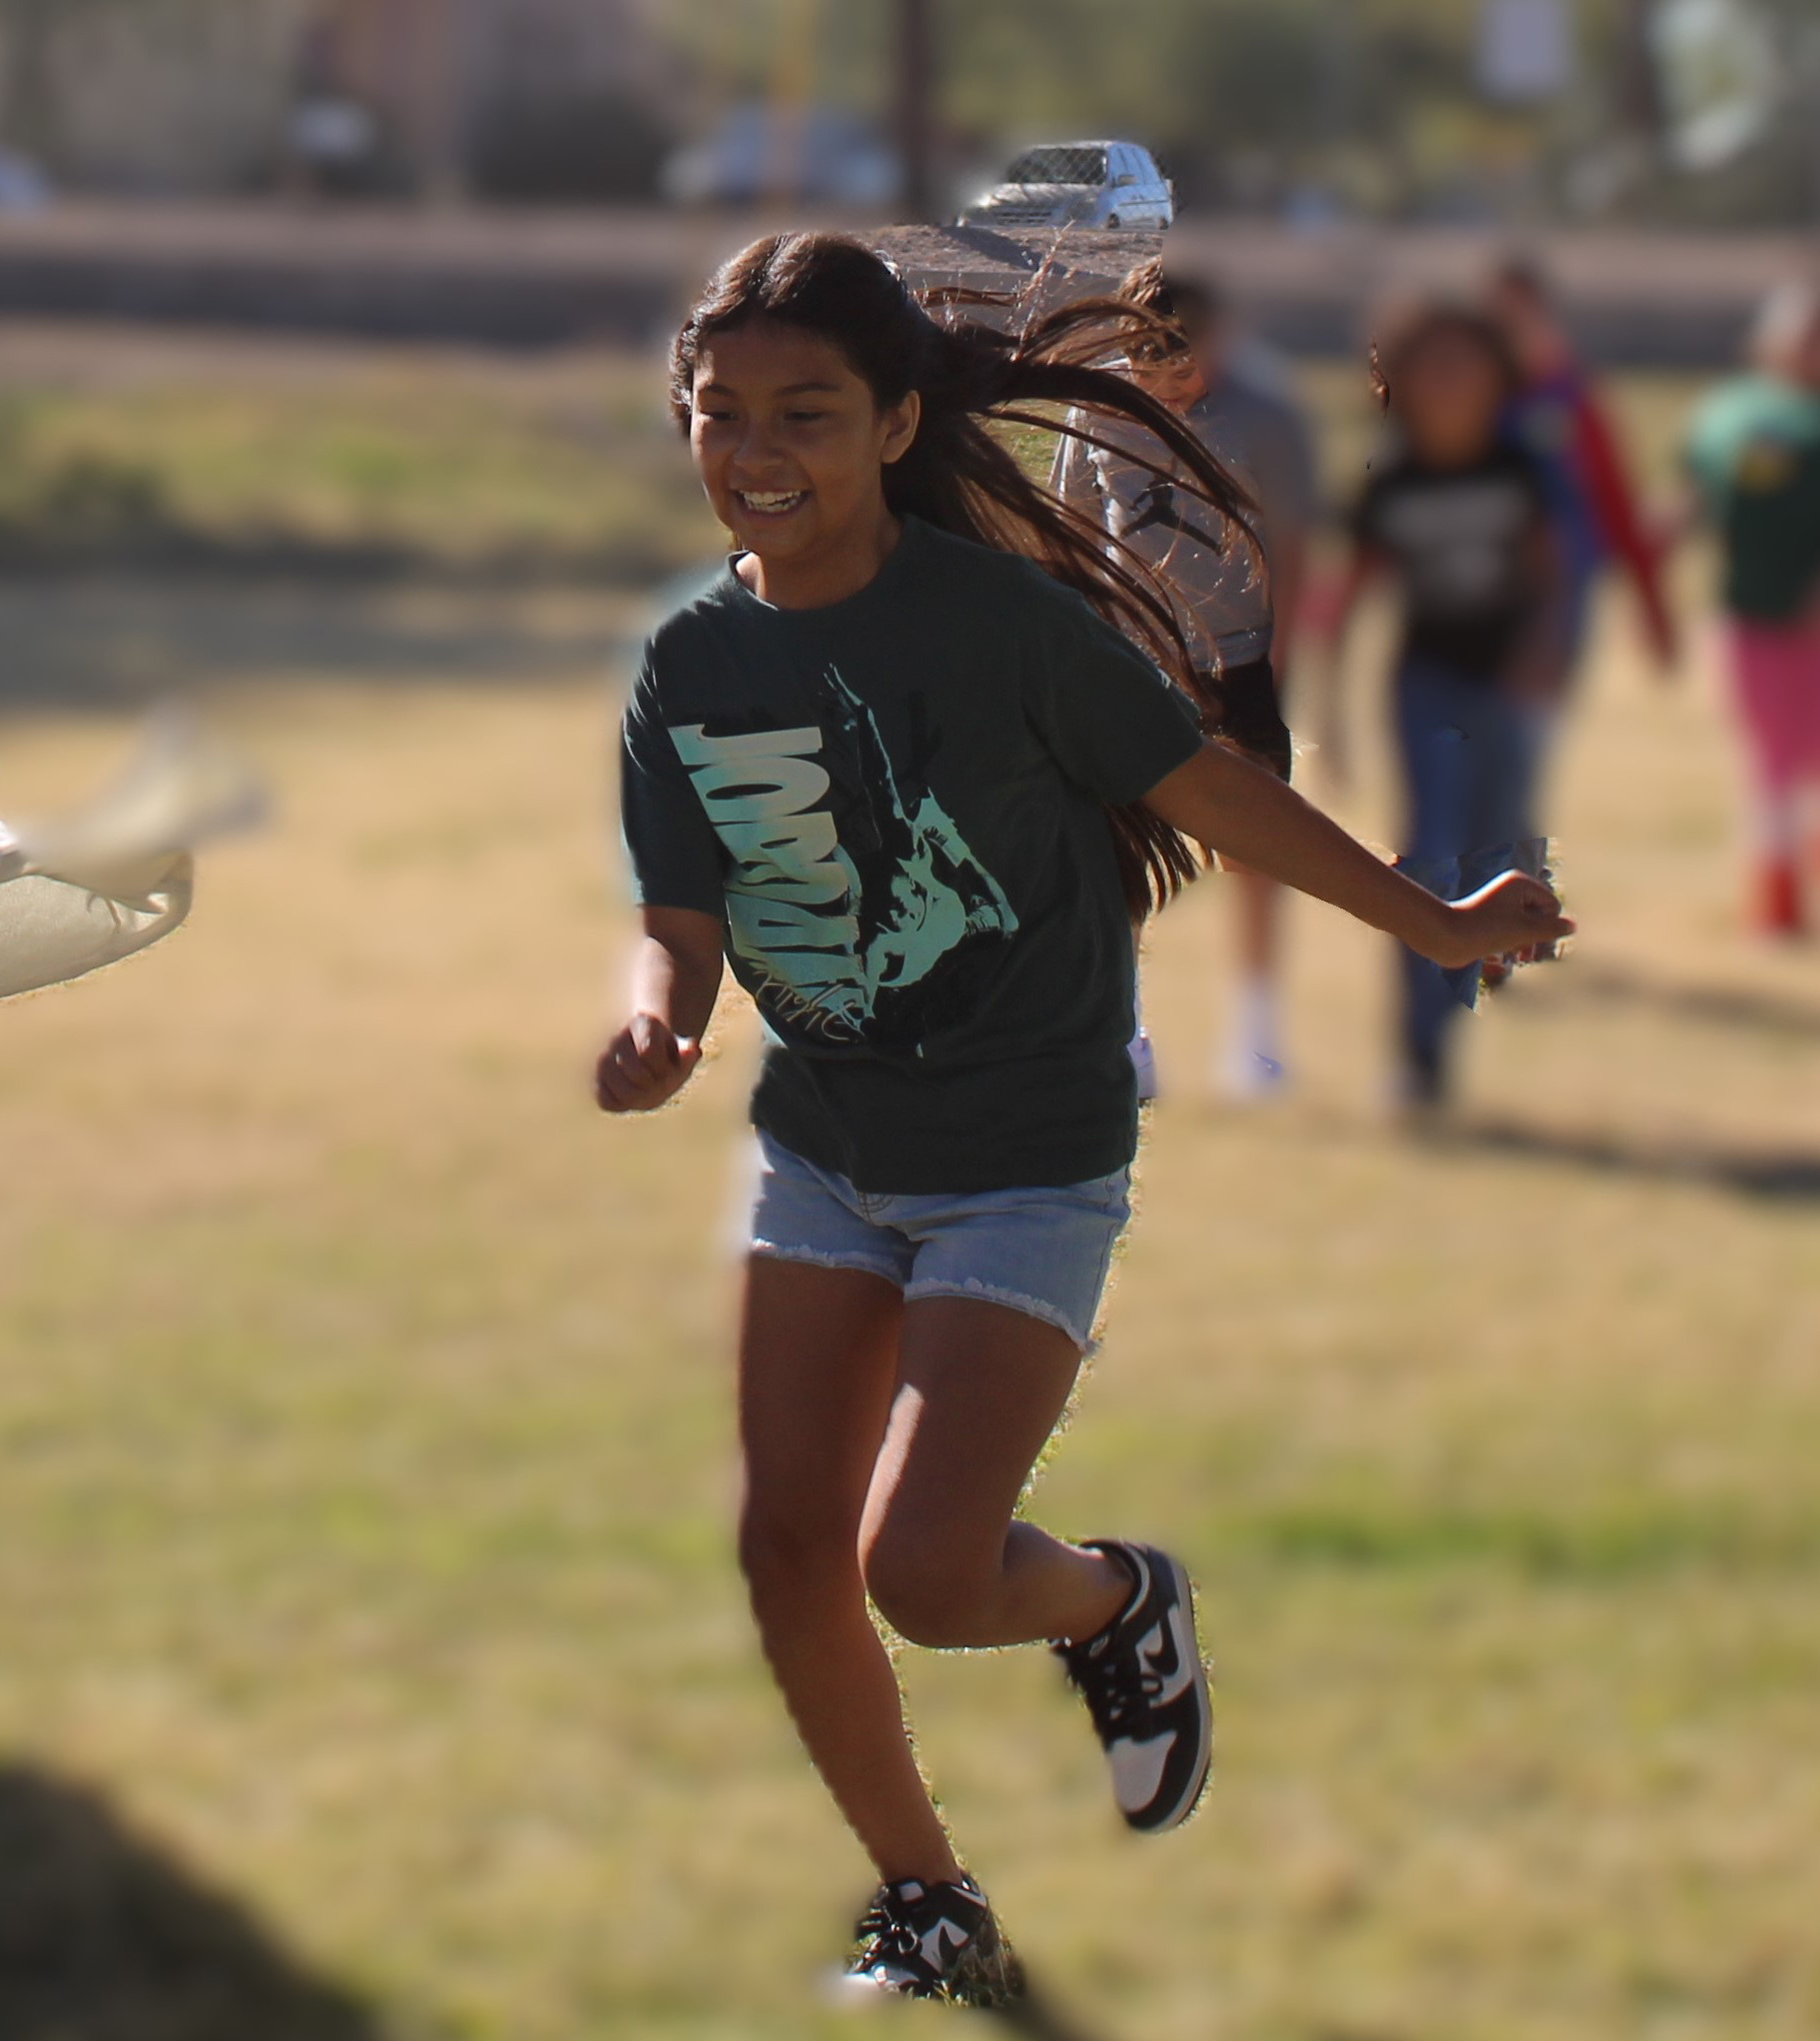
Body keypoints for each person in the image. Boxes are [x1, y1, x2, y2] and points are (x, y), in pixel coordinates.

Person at [597, 233, 1568, 2006]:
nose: (751, 444)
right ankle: (924, 1895)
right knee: (783, 1540)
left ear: (895, 423)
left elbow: (1207, 784)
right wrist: (655, 1016)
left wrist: (1431, 921)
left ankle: (1117, 1602)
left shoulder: (999, 630)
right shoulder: (686, 663)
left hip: (1022, 1157)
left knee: (924, 1569)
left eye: (801, 410)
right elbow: (676, 909)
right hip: (822, 1139)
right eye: (715, 409)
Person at [1053, 259, 1318, 1097]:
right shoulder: (1092, 404)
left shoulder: (1265, 415)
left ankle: (1256, 1032)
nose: (1165, 387)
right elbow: (1066, 535)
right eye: (1147, 364)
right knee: (1117, 850)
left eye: (1184, 366)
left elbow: (1297, 543)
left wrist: (1286, 656)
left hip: (1236, 657)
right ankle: (1125, 1035)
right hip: (1130, 657)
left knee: (1255, 847)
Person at [1337, 302, 1574, 1111]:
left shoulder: (1516, 466)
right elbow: (1356, 587)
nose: (1447, 385)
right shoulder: (1393, 475)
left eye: (1463, 367)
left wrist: (1541, 660)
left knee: (1493, 857)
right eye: (1430, 368)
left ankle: (1472, 999)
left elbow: (1549, 575)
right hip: (1426, 688)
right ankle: (1422, 1057)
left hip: (1502, 689)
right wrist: (1329, 695)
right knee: (1431, 861)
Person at [1682, 282, 1820, 934]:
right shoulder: (1743, 418)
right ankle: (1776, 902)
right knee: (1773, 764)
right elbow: (1692, 495)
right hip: (1760, 620)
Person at [1489, 257, 1678, 685]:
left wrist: (1652, 606)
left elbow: (1614, 494)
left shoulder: (1570, 395)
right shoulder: (1466, 395)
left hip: (1561, 581)